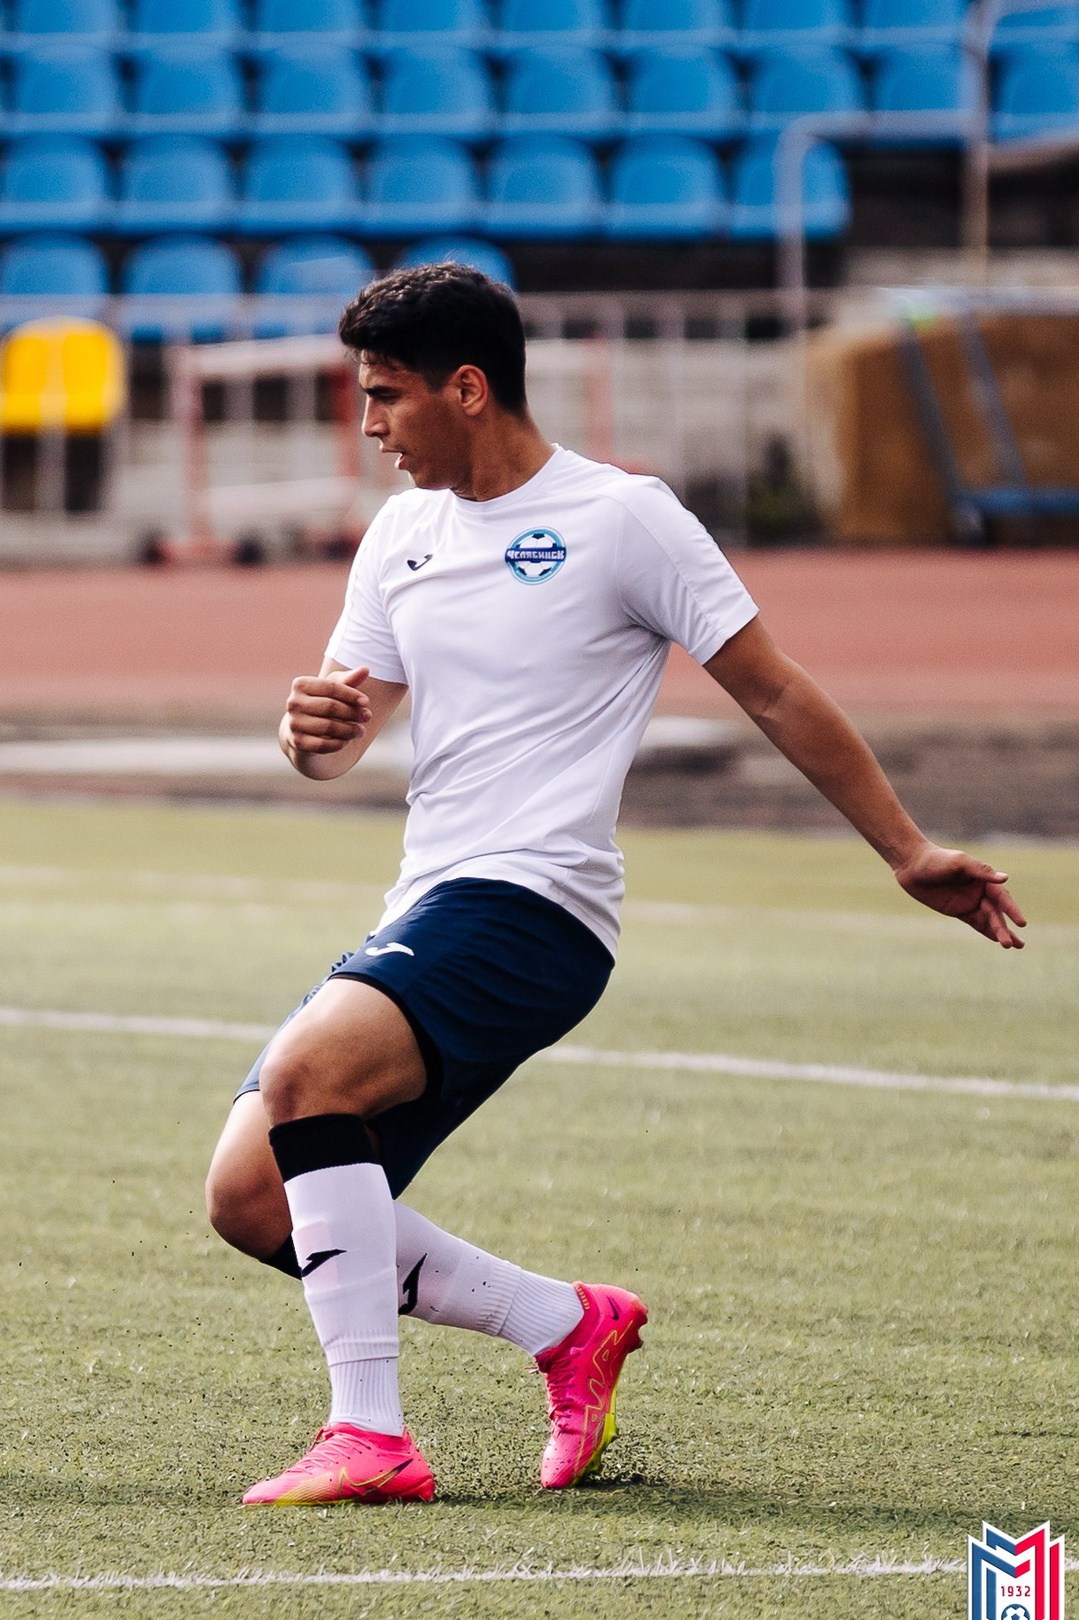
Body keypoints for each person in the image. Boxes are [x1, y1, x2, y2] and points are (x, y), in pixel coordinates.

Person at [206, 264, 1025, 1507]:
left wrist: (905, 850)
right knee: (252, 1198)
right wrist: (306, 734)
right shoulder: (401, 535)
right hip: (429, 900)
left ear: (466, 389)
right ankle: (564, 1324)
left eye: (383, 397)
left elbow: (773, 687)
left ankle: (368, 1436)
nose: (367, 425)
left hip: (539, 906)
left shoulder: (623, 518)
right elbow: (342, 729)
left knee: (312, 1081)